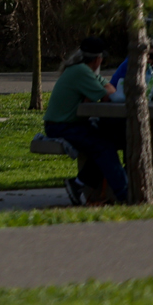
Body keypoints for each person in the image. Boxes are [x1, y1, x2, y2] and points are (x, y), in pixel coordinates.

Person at [44, 36, 129, 206]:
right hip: (61, 126)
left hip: (70, 124)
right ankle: (126, 196)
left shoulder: (83, 71)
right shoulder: (81, 72)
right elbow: (108, 97)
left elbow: (109, 88)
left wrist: (92, 95)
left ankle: (78, 184)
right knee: (103, 146)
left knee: (108, 141)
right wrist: (97, 94)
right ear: (98, 59)